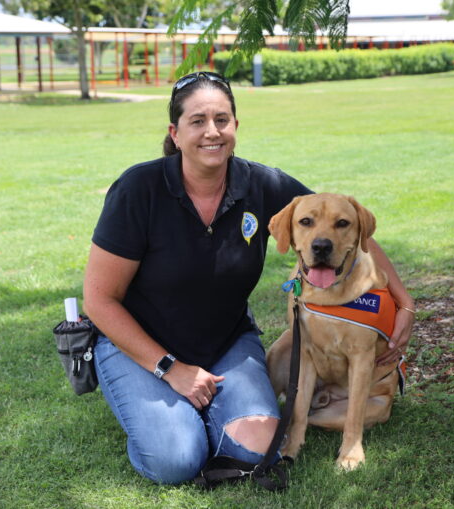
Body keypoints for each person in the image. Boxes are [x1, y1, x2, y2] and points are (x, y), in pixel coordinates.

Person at [83, 71, 415, 484]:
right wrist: (171, 369)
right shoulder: (140, 188)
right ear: (176, 131)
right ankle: (167, 410)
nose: (212, 132)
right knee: (177, 460)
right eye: (198, 121)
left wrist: (404, 302)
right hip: (139, 344)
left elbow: (348, 231)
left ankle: (198, 410)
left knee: (260, 445)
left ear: (235, 127)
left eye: (222, 120)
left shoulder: (261, 184)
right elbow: (99, 301)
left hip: (224, 341)